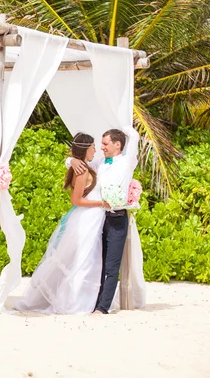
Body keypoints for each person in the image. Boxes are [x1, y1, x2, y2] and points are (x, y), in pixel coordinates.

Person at [13, 133, 111, 314]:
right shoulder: (82, 171)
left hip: (91, 219)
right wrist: (101, 203)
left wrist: (71, 160)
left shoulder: (84, 166)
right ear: (85, 148)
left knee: (88, 260)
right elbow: (76, 200)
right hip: (86, 219)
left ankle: (81, 299)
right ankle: (73, 302)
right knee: (83, 260)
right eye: (93, 147)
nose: (95, 150)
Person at [69, 128, 139, 314]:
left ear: (118, 145)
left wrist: (126, 127)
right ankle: (93, 303)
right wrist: (72, 160)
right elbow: (78, 162)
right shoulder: (100, 163)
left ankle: (102, 307)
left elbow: (135, 139)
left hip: (117, 217)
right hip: (99, 219)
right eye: (100, 144)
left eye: (105, 144)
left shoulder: (127, 162)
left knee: (111, 265)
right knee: (97, 264)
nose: (102, 148)